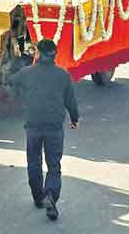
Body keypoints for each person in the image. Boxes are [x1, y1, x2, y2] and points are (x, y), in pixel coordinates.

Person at [7, 38, 79, 221]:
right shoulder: (62, 75)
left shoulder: (27, 72)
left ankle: (38, 197)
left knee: (34, 161)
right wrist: (74, 119)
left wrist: (16, 60)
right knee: (54, 165)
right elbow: (70, 100)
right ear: (55, 55)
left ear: (38, 53)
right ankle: (50, 195)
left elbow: (10, 80)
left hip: (33, 126)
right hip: (54, 127)